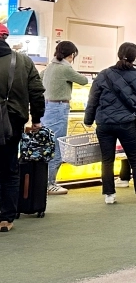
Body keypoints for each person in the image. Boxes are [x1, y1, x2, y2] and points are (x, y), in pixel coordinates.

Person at [84, 42, 136, 205]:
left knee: (107, 159)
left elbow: (92, 100)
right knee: (135, 158)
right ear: (135, 57)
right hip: (127, 122)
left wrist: (88, 120)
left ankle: (109, 194)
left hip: (104, 124)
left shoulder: (103, 74)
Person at [0, 24, 45, 233]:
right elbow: (36, 92)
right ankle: (6, 218)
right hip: (12, 120)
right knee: (9, 168)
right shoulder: (23, 61)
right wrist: (36, 120)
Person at [40, 40, 88, 195]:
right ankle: (50, 183)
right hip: (59, 108)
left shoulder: (50, 67)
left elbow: (38, 78)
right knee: (57, 146)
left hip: (47, 107)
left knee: (46, 145)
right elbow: (84, 81)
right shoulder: (65, 68)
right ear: (72, 54)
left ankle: (42, 182)